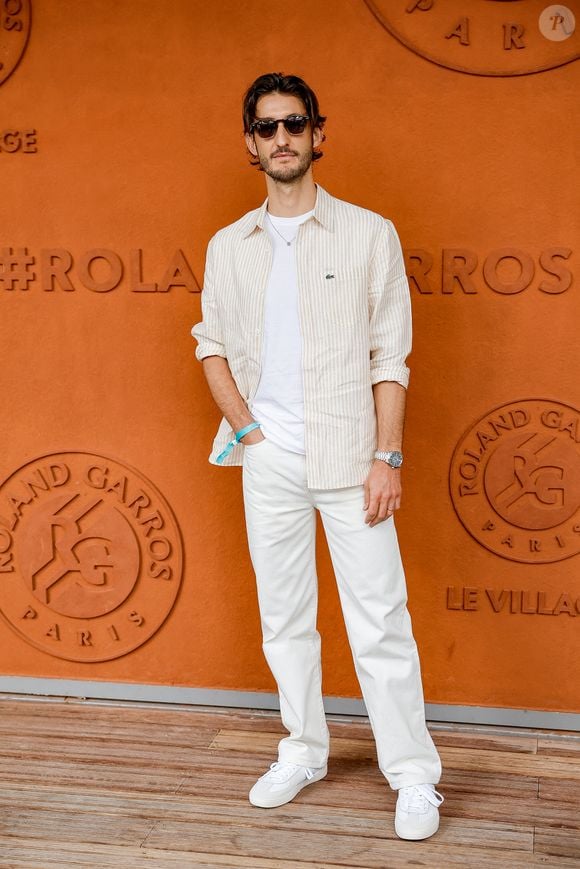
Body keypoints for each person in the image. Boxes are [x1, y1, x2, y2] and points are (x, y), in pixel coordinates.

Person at [191, 72, 444, 841]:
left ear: (317, 134)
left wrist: (386, 456)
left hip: (351, 460)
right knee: (285, 620)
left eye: (293, 123)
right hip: (268, 461)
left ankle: (413, 774)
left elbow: (390, 356)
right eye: (265, 128)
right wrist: (249, 430)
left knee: (380, 621)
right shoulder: (229, 245)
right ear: (250, 143)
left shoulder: (370, 233)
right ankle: (302, 749)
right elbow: (210, 346)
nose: (281, 138)